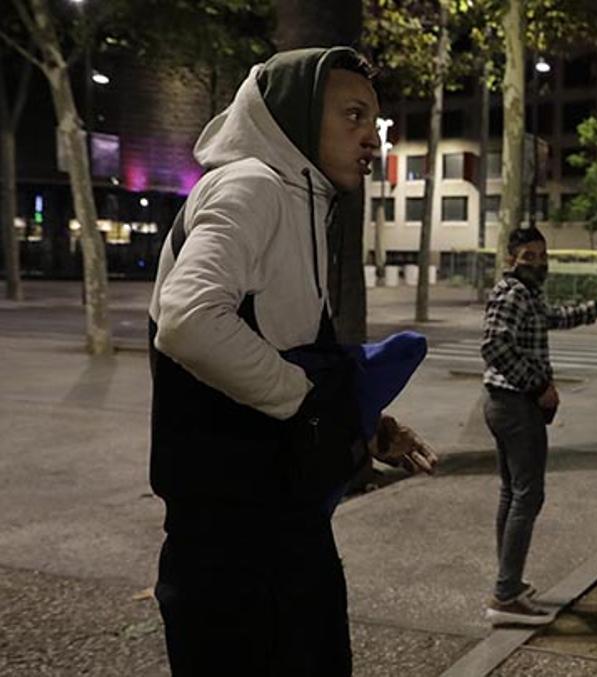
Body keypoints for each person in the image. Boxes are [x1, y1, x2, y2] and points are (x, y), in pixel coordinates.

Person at [148, 48, 434, 675]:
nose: (371, 136)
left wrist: (361, 426)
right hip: (235, 552)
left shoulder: (299, 198)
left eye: (375, 121)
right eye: (353, 115)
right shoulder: (252, 186)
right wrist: (310, 401)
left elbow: (283, 344)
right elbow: (190, 320)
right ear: (293, 119)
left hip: (277, 529)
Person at [480, 226, 597, 625]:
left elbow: (553, 318)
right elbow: (493, 345)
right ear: (510, 258)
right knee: (528, 496)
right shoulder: (513, 293)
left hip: (505, 403)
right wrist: (538, 386)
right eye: (529, 255)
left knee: (512, 493)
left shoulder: (527, 293)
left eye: (543, 255)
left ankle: (507, 582)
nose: (538, 262)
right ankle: (505, 595)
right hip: (515, 405)